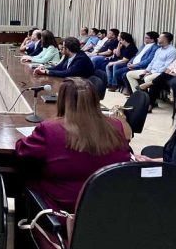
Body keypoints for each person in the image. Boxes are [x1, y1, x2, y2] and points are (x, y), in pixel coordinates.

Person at [16, 77, 130, 213]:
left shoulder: (50, 128)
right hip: (105, 209)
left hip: (62, 214)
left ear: (62, 100)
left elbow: (22, 150)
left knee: (18, 177)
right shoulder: (116, 125)